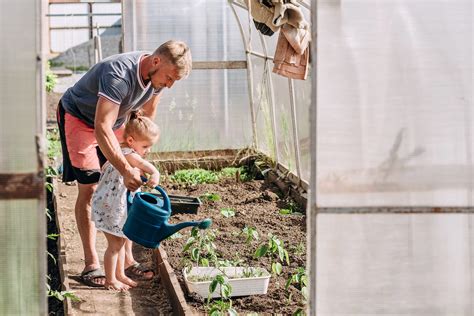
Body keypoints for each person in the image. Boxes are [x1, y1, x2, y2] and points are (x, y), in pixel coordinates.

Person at [56, 40, 192, 287]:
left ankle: (127, 261)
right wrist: (125, 167)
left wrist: (138, 157)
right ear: (156, 61)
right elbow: (101, 126)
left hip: (117, 121)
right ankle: (91, 263)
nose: (169, 85)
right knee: (90, 188)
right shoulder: (119, 74)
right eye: (170, 78)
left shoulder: (157, 80)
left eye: (175, 81)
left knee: (127, 188)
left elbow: (146, 120)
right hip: (81, 117)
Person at [92, 112, 160, 291]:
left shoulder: (125, 152)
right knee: (114, 245)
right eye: (146, 146)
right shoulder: (128, 154)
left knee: (121, 241)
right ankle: (110, 279)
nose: (148, 150)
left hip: (115, 206)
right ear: (130, 141)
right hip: (110, 207)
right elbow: (148, 167)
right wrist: (155, 174)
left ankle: (120, 274)